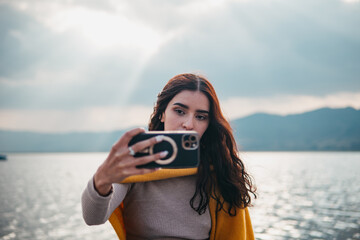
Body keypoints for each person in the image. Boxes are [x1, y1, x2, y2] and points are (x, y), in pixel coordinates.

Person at [82, 73, 257, 240]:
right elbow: (93, 217)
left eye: (201, 116)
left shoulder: (220, 172)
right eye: (180, 111)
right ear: (162, 113)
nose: (189, 124)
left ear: (208, 125)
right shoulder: (136, 163)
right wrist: (102, 179)